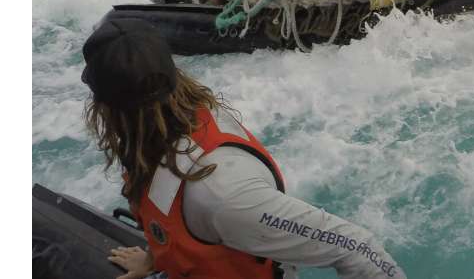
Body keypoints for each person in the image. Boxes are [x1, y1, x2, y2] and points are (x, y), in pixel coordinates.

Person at [82, 19, 406, 279]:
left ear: (108, 110)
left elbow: (359, 249)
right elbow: (165, 207)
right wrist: (156, 257)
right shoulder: (160, 138)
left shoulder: (222, 196)